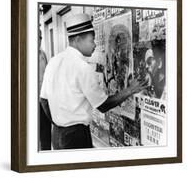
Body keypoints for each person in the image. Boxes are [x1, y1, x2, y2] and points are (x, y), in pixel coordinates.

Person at [40, 13, 148, 150]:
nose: (95, 45)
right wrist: (130, 90)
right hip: (76, 137)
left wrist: (59, 121)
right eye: (92, 40)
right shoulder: (82, 67)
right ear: (78, 39)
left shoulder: (54, 61)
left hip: (57, 134)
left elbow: (44, 100)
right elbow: (103, 105)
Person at [39, 30, 51, 150]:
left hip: (44, 101)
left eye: (40, 37)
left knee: (45, 134)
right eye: (36, 37)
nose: (39, 40)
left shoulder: (43, 54)